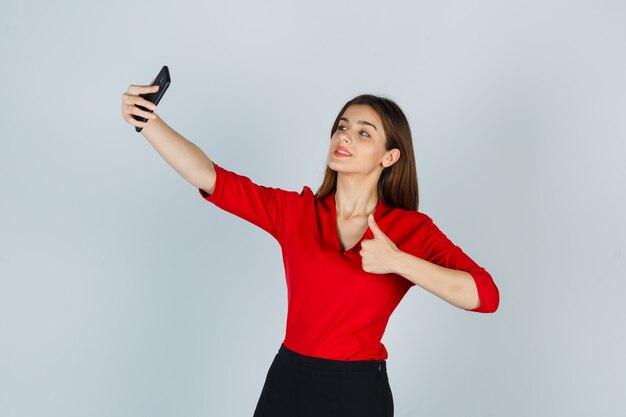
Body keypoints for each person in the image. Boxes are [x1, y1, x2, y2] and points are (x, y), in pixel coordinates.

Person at [121, 85, 500, 417]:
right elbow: (212, 177)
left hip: (357, 392)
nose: (345, 137)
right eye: (342, 127)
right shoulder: (298, 212)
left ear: (389, 157)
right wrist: (149, 123)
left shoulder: (409, 230)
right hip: (289, 380)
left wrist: (398, 261)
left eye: (363, 133)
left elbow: (484, 295)